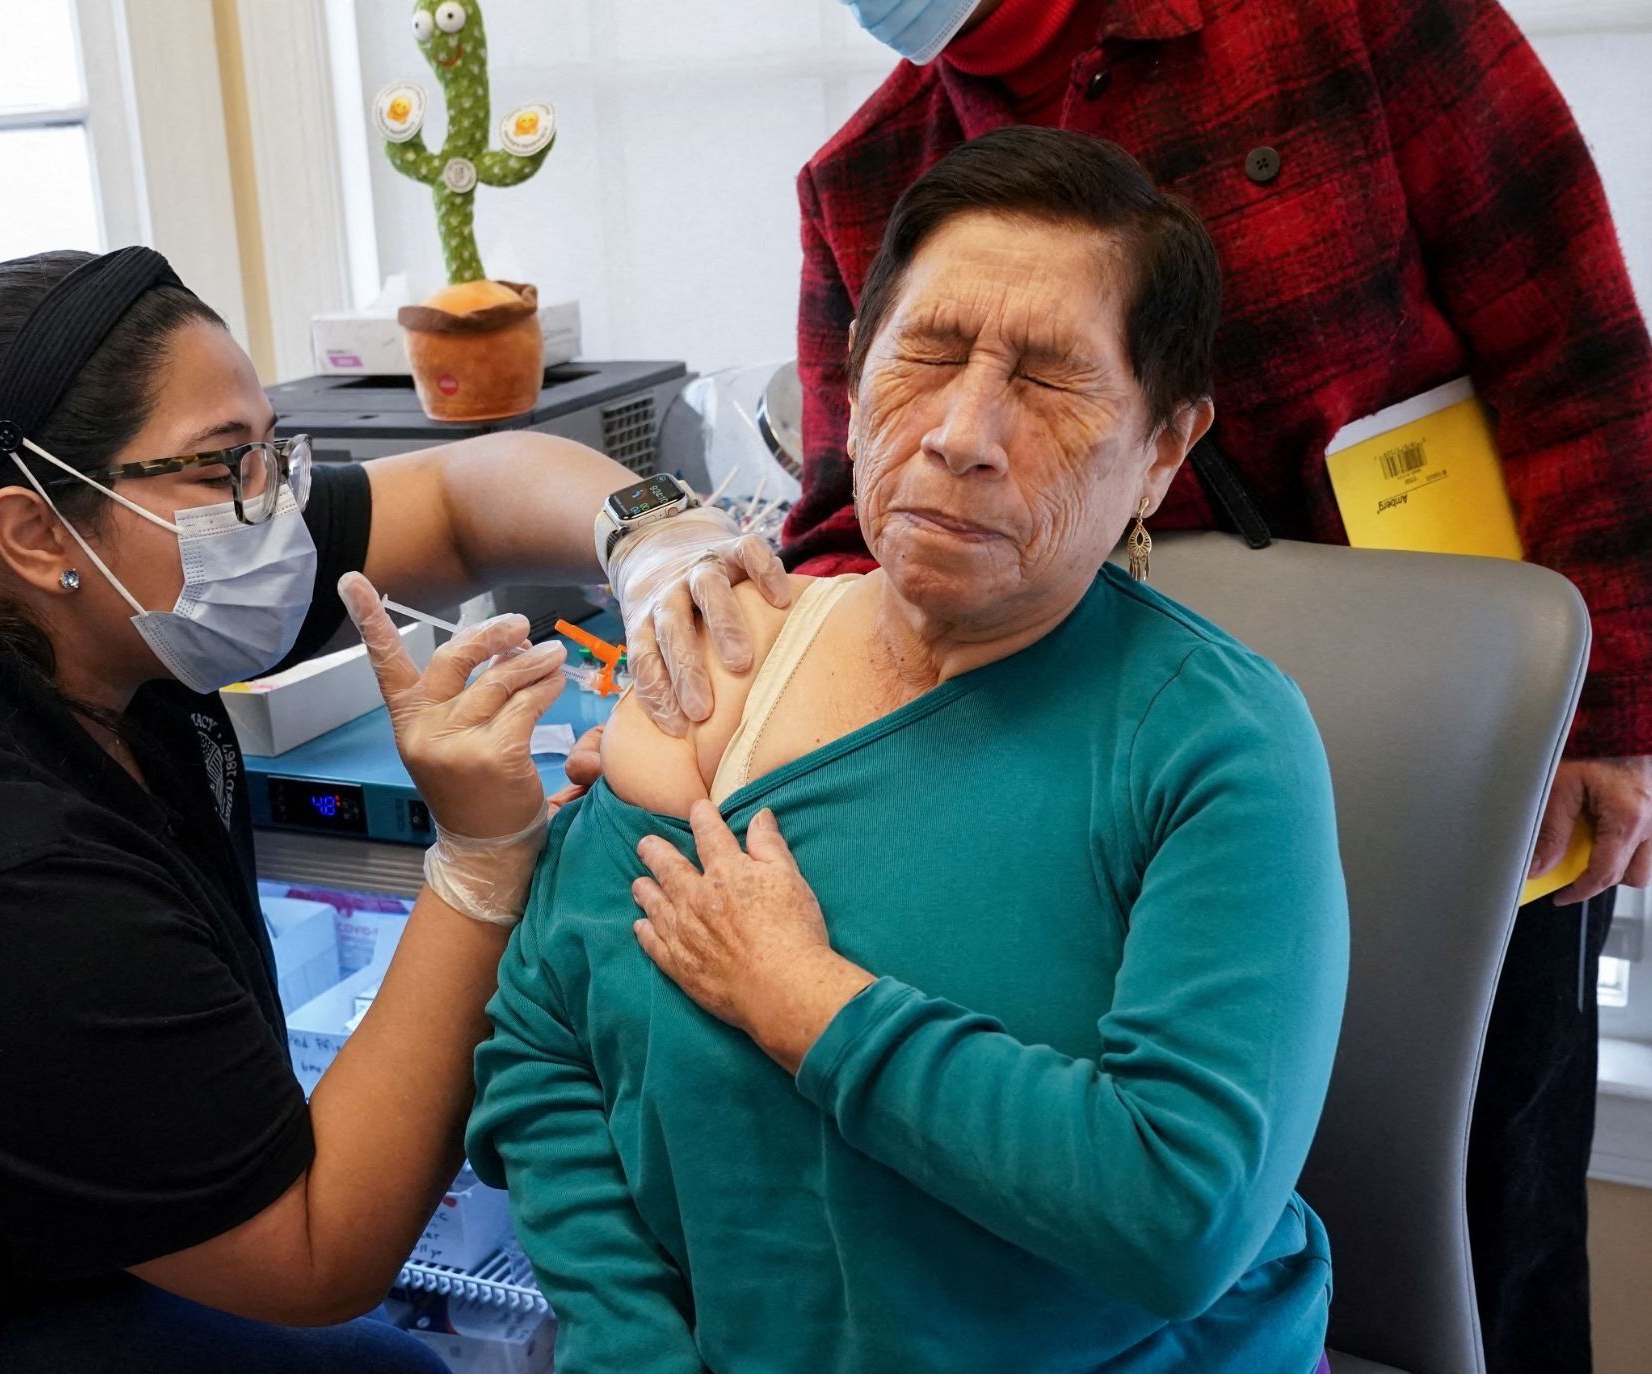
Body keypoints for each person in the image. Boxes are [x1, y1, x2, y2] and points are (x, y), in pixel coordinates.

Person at [794, 4, 1652, 1367]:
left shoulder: (1339, 19)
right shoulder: (869, 179)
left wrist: (1632, 704)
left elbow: (1567, 330)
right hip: (1100, 793)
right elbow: (841, 524)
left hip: (1454, 762)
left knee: (1483, 1200)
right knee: (1156, 1200)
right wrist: (725, 618)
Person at [0, 247, 788, 1372]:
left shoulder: (95, 590)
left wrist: (653, 534)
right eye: (226, 466)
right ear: (31, 531)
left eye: (272, 451)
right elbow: (311, 1256)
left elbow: (466, 499)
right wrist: (482, 857)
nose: (273, 509)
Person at [469, 130, 1349, 1374]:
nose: (960, 433)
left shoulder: (1214, 745)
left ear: (1162, 449)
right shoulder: (724, 653)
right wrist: (630, 1349)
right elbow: (541, 1045)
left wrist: (810, 1003)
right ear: (850, 373)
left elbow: (1177, 1214)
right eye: (926, 355)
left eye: (1048, 381)